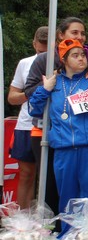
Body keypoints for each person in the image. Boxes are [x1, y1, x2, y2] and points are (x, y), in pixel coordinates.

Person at [28, 39, 88, 235]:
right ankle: (69, 236)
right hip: (64, 149)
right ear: (63, 59)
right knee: (67, 196)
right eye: (75, 55)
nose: (81, 58)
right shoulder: (55, 83)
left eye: (83, 55)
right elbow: (34, 110)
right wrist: (45, 89)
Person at [24, 17, 88, 219]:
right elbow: (31, 100)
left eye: (82, 33)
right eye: (74, 33)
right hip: (53, 137)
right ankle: (59, 230)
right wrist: (47, 86)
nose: (80, 38)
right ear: (61, 35)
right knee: (54, 186)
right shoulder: (43, 60)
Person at [7, 26, 48, 208]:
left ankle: (48, 220)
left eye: (46, 52)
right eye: (39, 51)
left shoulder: (61, 61)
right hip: (26, 125)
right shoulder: (25, 63)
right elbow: (12, 98)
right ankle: (24, 223)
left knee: (50, 176)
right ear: (33, 44)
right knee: (26, 174)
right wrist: (32, 92)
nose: (42, 57)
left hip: (53, 125)